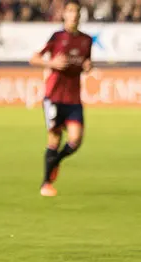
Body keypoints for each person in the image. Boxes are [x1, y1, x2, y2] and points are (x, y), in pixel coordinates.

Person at [29, 0, 92, 197]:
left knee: (75, 140)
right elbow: (34, 58)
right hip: (54, 97)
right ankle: (46, 183)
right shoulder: (57, 37)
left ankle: (55, 162)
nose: (74, 15)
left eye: (77, 12)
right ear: (64, 14)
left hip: (73, 98)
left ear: (80, 15)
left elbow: (85, 61)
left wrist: (88, 65)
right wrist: (52, 63)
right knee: (54, 138)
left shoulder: (86, 40)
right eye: (70, 11)